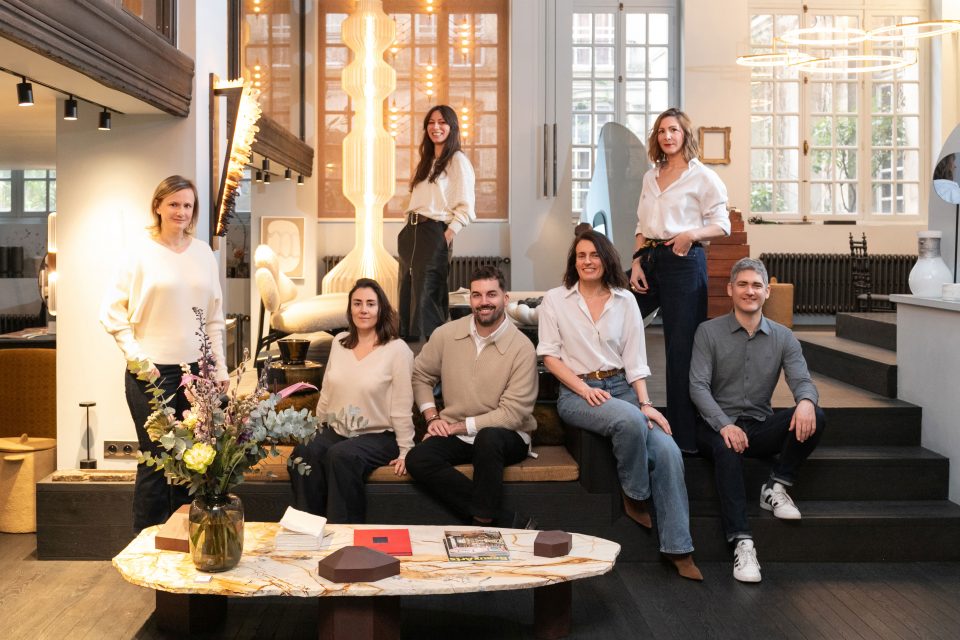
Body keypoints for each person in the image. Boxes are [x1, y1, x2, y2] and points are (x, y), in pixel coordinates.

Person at [538, 230, 701, 581]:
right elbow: (549, 357)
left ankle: (679, 548)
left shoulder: (625, 300)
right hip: (576, 393)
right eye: (581, 256)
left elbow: (635, 360)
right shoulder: (555, 300)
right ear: (573, 262)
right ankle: (635, 495)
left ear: (606, 259)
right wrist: (584, 389)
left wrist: (646, 403)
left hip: (622, 388)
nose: (587, 261)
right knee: (629, 421)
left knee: (669, 450)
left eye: (594, 255)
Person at [101, 175, 228, 532]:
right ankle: (146, 544)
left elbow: (214, 318)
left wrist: (219, 367)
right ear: (158, 206)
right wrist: (137, 358)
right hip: (151, 374)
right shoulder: (138, 253)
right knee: (156, 461)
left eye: (187, 205)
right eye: (173, 204)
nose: (181, 211)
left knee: (194, 461)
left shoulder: (203, 253)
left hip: (197, 374)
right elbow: (111, 313)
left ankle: (187, 540)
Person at [690, 257, 826, 583]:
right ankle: (743, 542)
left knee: (815, 414)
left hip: (758, 426)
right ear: (730, 290)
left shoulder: (784, 337)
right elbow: (697, 386)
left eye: (756, 285)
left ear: (767, 292)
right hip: (715, 426)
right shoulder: (708, 332)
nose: (749, 291)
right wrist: (724, 424)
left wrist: (806, 401)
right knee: (727, 448)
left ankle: (776, 486)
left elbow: (802, 380)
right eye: (742, 284)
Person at [404, 266, 538, 528]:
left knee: (488, 438)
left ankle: (481, 523)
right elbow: (421, 375)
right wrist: (432, 418)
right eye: (477, 295)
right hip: (457, 434)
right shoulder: (446, 335)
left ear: (505, 298)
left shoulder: (522, 347)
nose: (483, 302)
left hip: (507, 435)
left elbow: (511, 415)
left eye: (491, 294)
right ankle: (503, 520)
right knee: (418, 459)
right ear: (470, 299)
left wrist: (454, 427)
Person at [630, 107, 731, 453]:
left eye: (673, 130)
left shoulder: (703, 177)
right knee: (617, 315)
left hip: (685, 262)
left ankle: (683, 440)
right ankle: (621, 411)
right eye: (661, 131)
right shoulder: (650, 176)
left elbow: (722, 225)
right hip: (650, 259)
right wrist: (637, 261)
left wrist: (690, 234)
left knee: (680, 350)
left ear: (685, 134)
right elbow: (642, 225)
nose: (667, 136)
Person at [289, 278, 414, 523]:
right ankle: (308, 527)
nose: (363, 310)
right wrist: (315, 429)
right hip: (338, 430)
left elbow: (402, 404)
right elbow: (327, 391)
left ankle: (344, 534)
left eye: (370, 304)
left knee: (341, 456)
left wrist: (406, 450)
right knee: (303, 452)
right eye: (357, 303)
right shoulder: (339, 342)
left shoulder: (397, 349)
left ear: (381, 308)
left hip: (379, 435)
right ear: (350, 308)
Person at [398, 104, 476, 341]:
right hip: (412, 234)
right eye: (431, 122)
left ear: (452, 127)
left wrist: (446, 237)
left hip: (434, 233)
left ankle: (432, 356)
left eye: (442, 122)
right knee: (407, 297)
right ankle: (409, 353)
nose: (436, 127)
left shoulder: (457, 160)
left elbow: (466, 206)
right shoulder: (426, 161)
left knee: (428, 299)